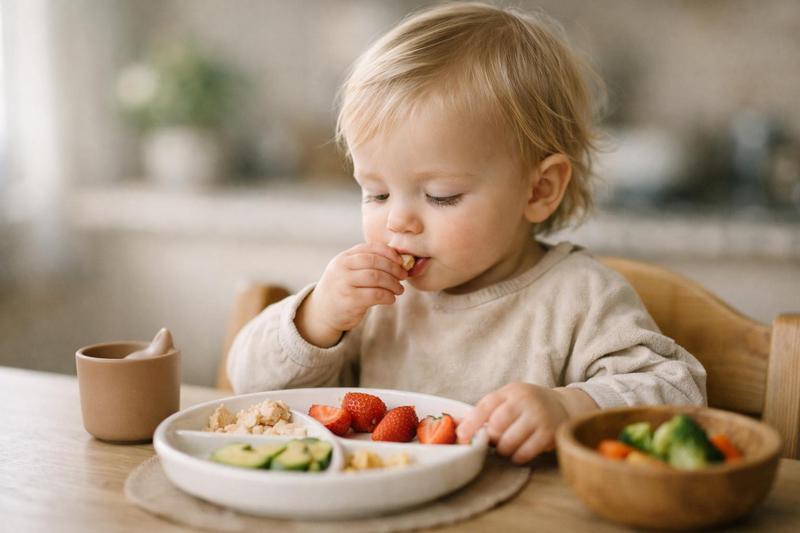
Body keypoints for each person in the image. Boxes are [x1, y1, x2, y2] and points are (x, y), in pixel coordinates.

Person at [227, 2, 706, 464]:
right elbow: (249, 386)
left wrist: (570, 407)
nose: (398, 222)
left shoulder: (579, 297)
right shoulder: (370, 300)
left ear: (539, 190)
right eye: (376, 194)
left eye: (440, 196)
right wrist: (316, 319)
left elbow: (682, 392)